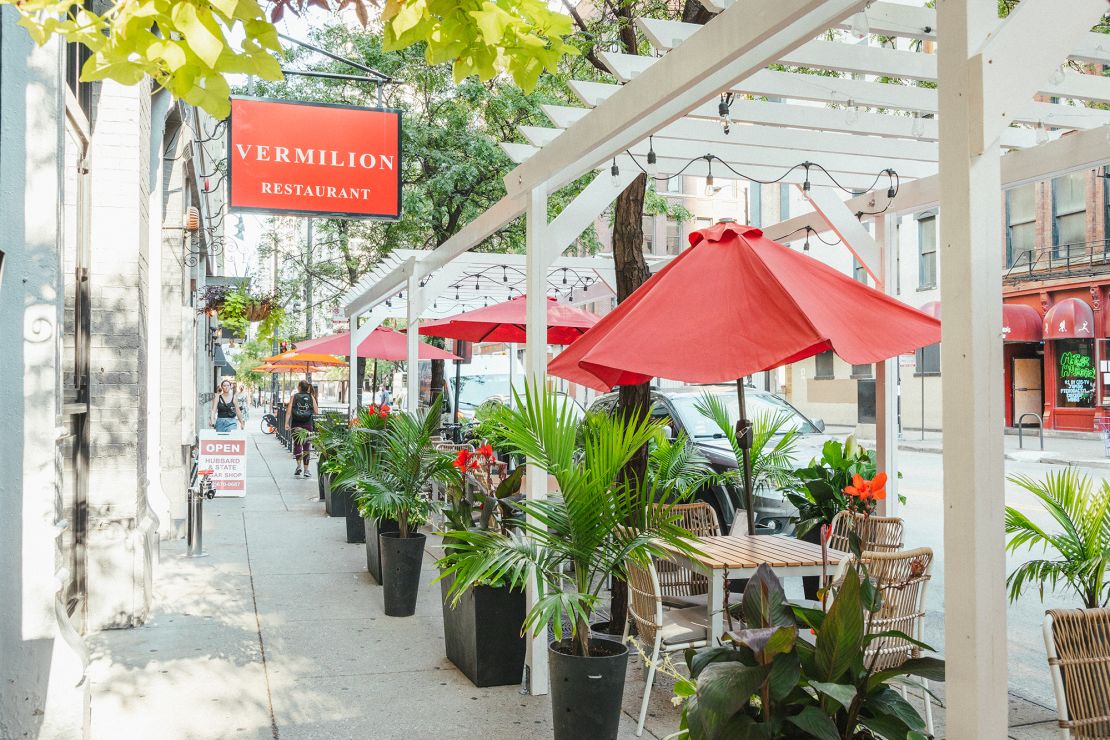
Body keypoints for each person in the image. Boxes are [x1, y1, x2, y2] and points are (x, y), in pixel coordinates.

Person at [285, 379, 318, 478]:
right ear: (307, 387)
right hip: (308, 424)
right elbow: (316, 411)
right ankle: (306, 470)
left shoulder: (294, 396)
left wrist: (286, 423)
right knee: (306, 447)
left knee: (297, 445)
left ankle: (299, 466)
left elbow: (289, 411)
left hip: (296, 424)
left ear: (299, 387)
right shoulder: (311, 396)